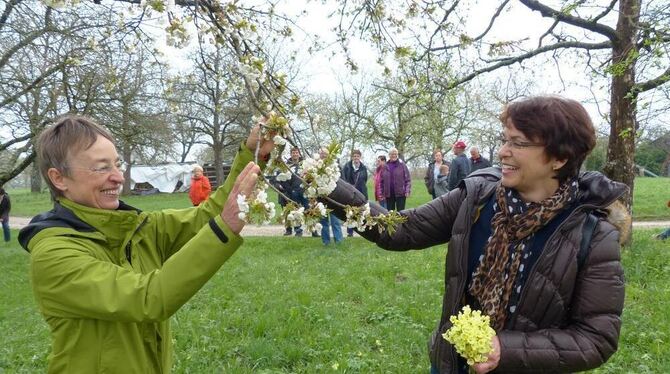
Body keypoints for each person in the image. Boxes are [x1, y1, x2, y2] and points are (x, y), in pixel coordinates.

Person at [325, 95, 628, 373]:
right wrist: (324, 183)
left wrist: (504, 349)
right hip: (452, 364)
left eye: (518, 143)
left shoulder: (592, 235)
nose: (502, 151)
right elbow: (400, 230)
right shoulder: (477, 198)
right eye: (504, 140)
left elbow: (595, 338)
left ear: (559, 158)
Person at [18, 115, 271, 373]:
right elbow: (149, 298)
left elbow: (206, 216)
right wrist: (225, 226)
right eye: (101, 167)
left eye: (117, 165)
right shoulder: (53, 255)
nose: (118, 177)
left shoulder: (137, 229)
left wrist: (251, 152)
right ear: (59, 178)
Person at [319, 147, 343, 245]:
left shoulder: (335, 166)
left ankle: (338, 240)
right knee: (323, 221)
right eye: (321, 154)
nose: (323, 155)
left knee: (335, 220)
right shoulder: (316, 167)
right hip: (320, 197)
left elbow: (341, 182)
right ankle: (326, 242)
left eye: (325, 154)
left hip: (333, 197)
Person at [342, 149, 369, 237]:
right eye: (354, 156)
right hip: (350, 192)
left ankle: (360, 230)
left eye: (357, 156)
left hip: (361, 192)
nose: (356, 158)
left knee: (361, 212)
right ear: (352, 157)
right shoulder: (347, 166)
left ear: (360, 157)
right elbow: (344, 179)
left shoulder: (363, 167)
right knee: (350, 212)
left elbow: (365, 179)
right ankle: (350, 231)